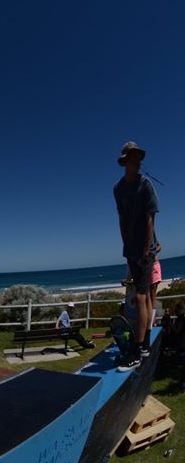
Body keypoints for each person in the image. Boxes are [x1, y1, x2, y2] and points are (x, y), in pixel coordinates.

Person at [113, 141, 159, 371]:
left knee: (142, 296)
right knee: (146, 297)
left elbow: (151, 219)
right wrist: (127, 245)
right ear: (125, 161)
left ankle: (138, 349)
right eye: (133, 158)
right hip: (130, 249)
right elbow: (121, 218)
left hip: (145, 250)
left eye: (139, 158)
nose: (138, 162)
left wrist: (144, 250)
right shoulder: (119, 189)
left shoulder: (146, 185)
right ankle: (146, 343)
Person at [150, 242, 162, 328]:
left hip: (154, 266)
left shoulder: (151, 236)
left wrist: (154, 251)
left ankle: (152, 321)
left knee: (152, 298)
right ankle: (151, 321)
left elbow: (159, 246)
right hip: (149, 266)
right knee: (149, 298)